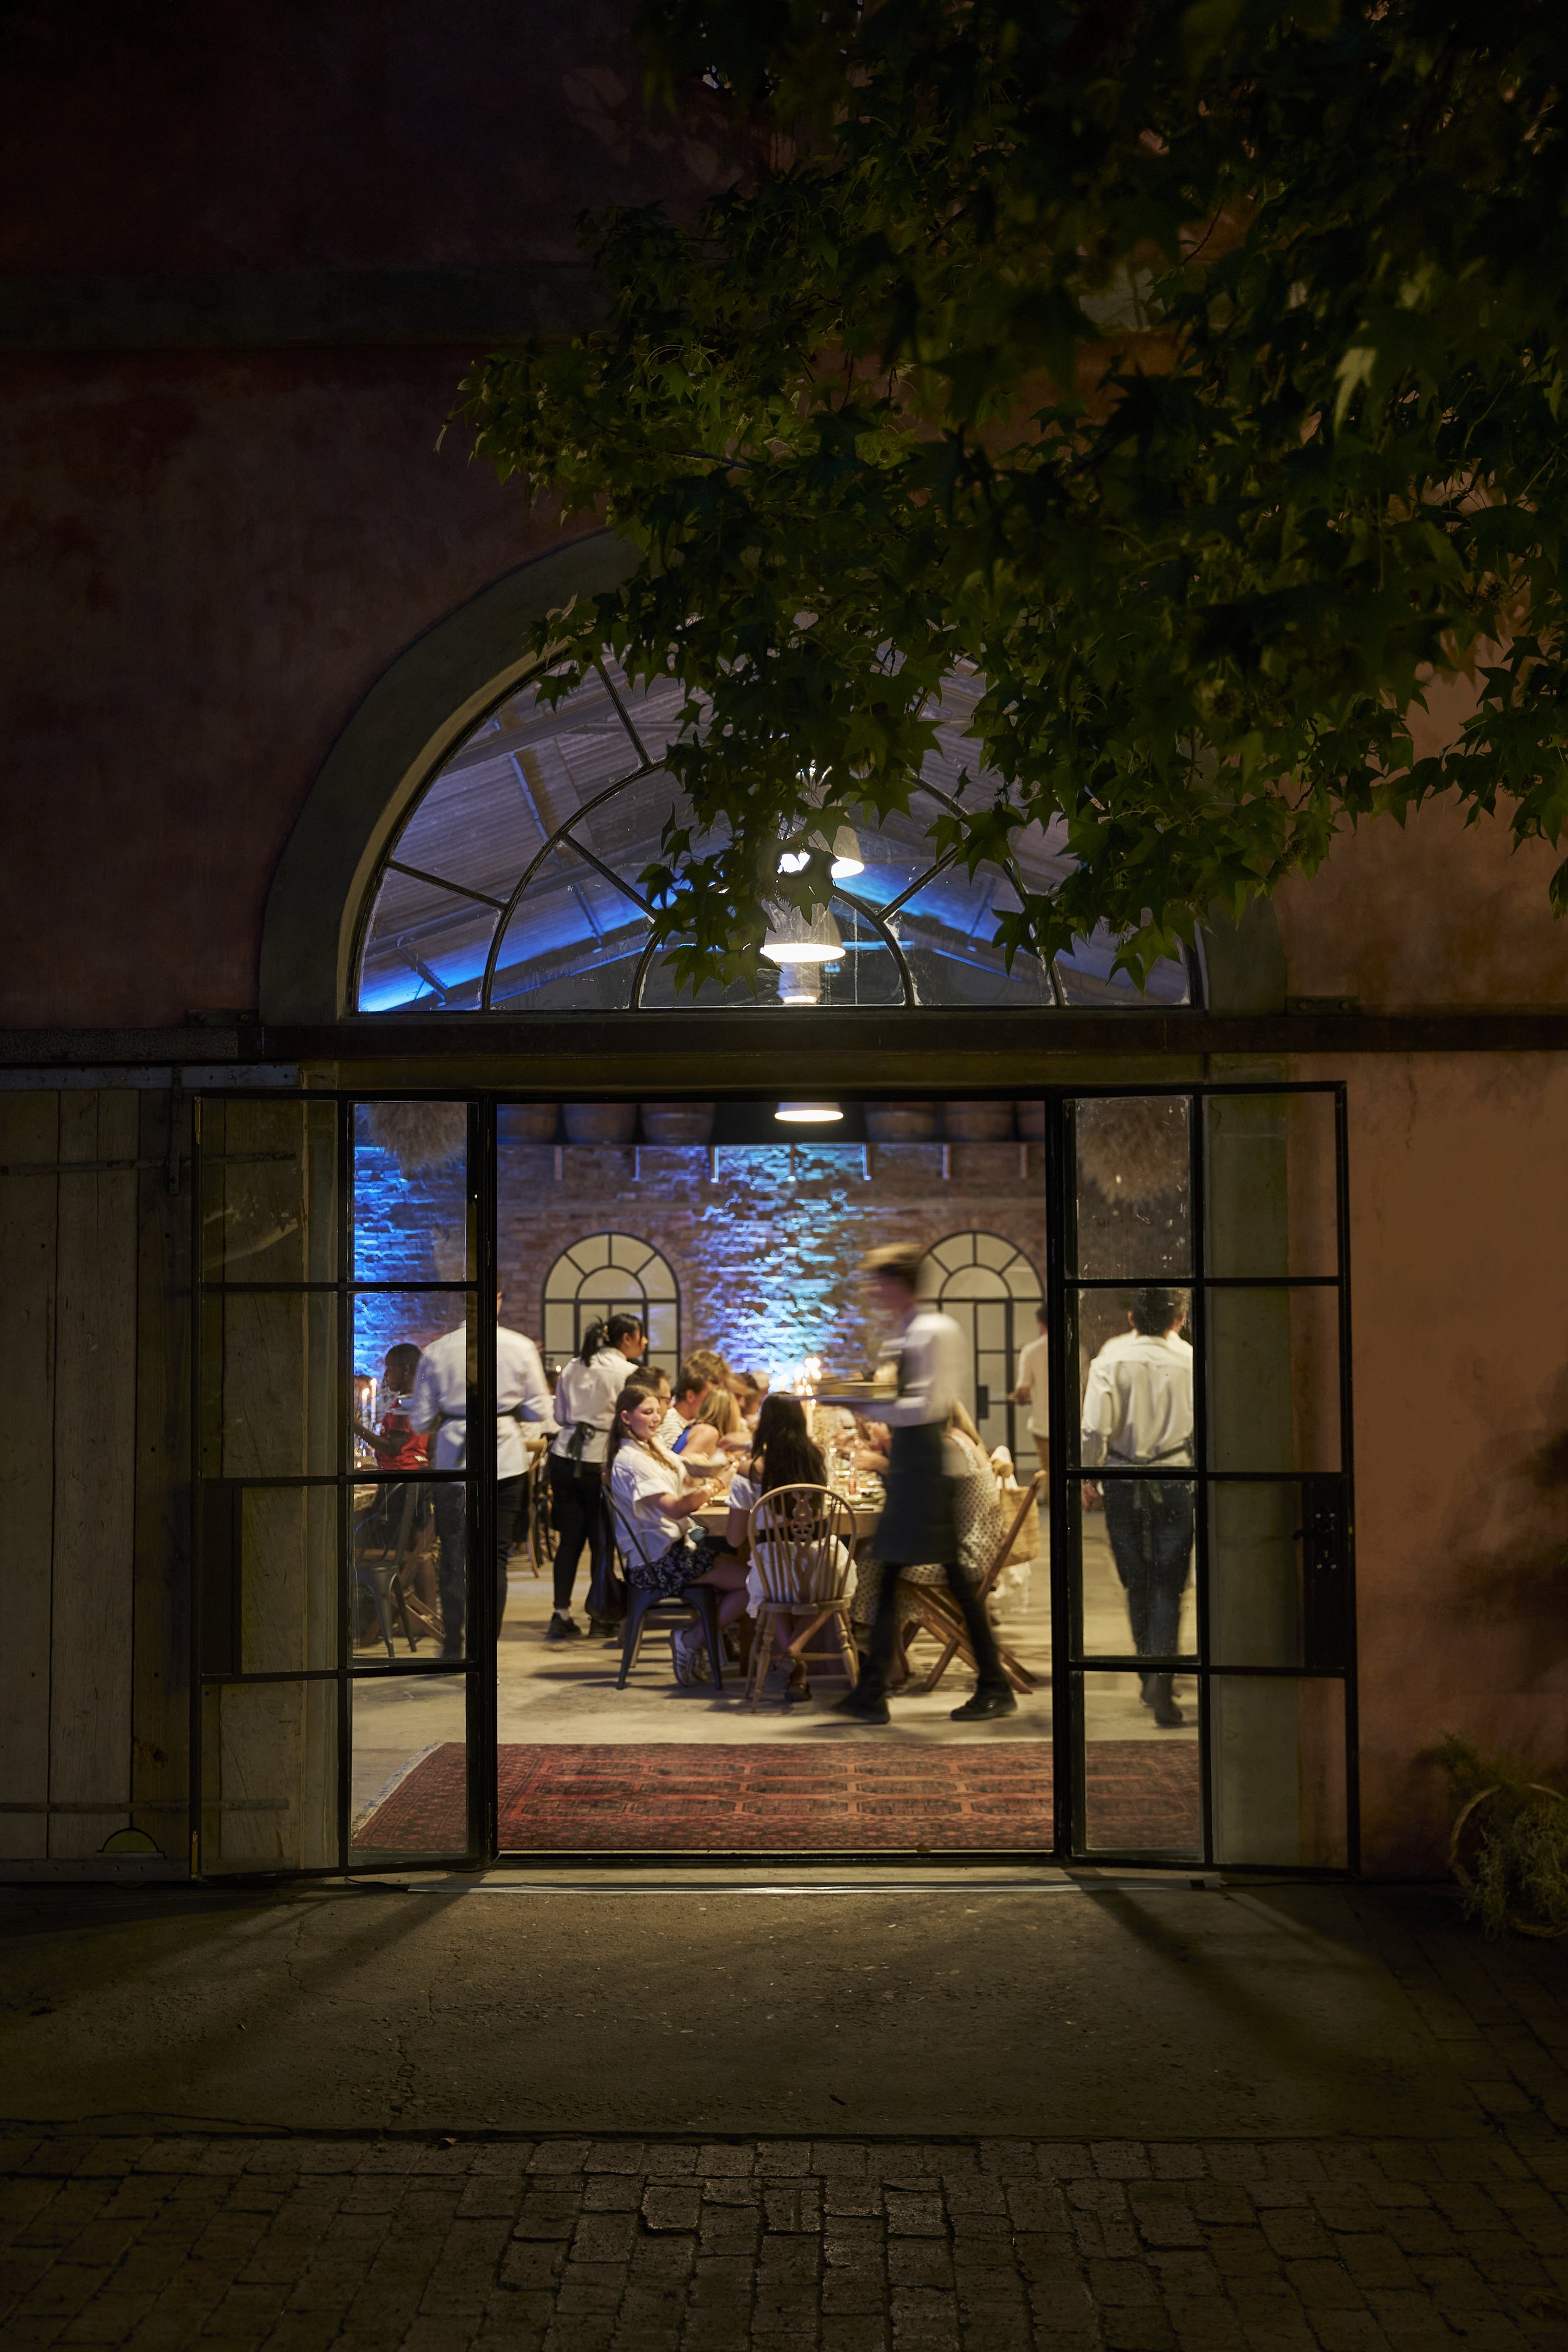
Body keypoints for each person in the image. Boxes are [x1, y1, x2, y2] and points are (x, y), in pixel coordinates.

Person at [825, 1241, 1015, 1724]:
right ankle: (876, 1690)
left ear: (898, 1284)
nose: (872, 1290)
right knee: (892, 1576)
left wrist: (868, 1406)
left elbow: (927, 1407)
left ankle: (987, 1683)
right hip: (915, 1467)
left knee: (922, 1578)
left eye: (878, 1281)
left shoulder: (933, 1331)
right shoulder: (909, 1331)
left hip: (926, 1468)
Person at [408, 1292, 554, 1660]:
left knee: (455, 1555)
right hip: (505, 1459)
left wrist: (453, 1410)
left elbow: (421, 1420)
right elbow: (540, 1409)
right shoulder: (520, 1347)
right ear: (499, 1299)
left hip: (453, 1462)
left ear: (462, 1302)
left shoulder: (437, 1351)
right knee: (497, 1558)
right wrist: (506, 1408)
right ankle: (485, 1647)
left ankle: (455, 1641)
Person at [1079, 1285, 1195, 1729]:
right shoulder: (1188, 1359)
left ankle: (1150, 1671)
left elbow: (1093, 1427)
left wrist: (1090, 1474)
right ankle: (1160, 1679)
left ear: (1131, 1318)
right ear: (1178, 1320)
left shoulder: (1111, 1357)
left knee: (1136, 1581)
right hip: (1176, 1478)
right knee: (1170, 1583)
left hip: (1124, 1480)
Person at [605, 1385, 748, 1675]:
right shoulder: (631, 1461)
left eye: (659, 1411)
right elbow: (676, 1508)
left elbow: (687, 1469)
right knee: (755, 1583)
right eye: (647, 1413)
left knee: (747, 1569)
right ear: (626, 1417)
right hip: (657, 1562)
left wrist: (731, 1464)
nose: (656, 1419)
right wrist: (718, 1483)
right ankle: (690, 1639)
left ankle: (713, 1642)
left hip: (674, 1549)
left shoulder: (651, 1445)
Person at [724, 1392, 850, 1703]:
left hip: (775, 1570)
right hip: (823, 1562)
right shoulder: (818, 1459)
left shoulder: (749, 1471)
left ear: (764, 1425)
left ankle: (791, 1654)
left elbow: (734, 1540)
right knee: (836, 1591)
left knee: (773, 1584)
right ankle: (796, 1660)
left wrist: (767, 1526)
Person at [546, 1312, 648, 1641]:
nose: (644, 1343)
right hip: (601, 1461)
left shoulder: (574, 1366)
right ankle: (601, 1614)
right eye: (641, 1336)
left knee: (570, 1541)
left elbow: (560, 1417)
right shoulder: (630, 1373)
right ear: (627, 1339)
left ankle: (560, 1613)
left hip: (565, 1457)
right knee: (601, 1540)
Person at [1010, 1302, 1051, 1477]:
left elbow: (1024, 1391)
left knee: (1049, 1471)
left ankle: (1053, 1504)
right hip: (1073, 1423)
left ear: (1040, 1324)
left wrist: (1016, 1397)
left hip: (1043, 1423)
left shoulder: (1031, 1351)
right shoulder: (1079, 1349)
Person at [657, 1359, 716, 1458]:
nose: (713, 1403)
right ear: (690, 1396)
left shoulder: (686, 1422)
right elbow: (668, 1465)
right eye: (709, 1397)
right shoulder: (670, 1421)